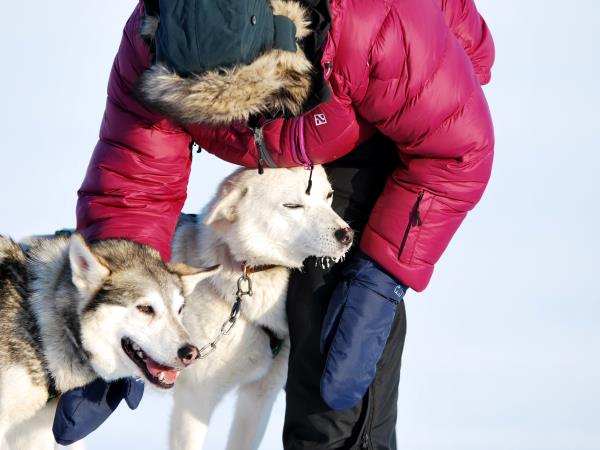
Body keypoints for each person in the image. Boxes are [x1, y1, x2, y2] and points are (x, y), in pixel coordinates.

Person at [55, 0, 495, 447]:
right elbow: (135, 180)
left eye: (240, 109)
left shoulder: (374, 29)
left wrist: (381, 279)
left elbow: (458, 151)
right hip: (318, 107)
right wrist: (123, 295)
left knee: (331, 318)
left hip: (393, 97)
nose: (237, 126)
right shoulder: (152, 40)